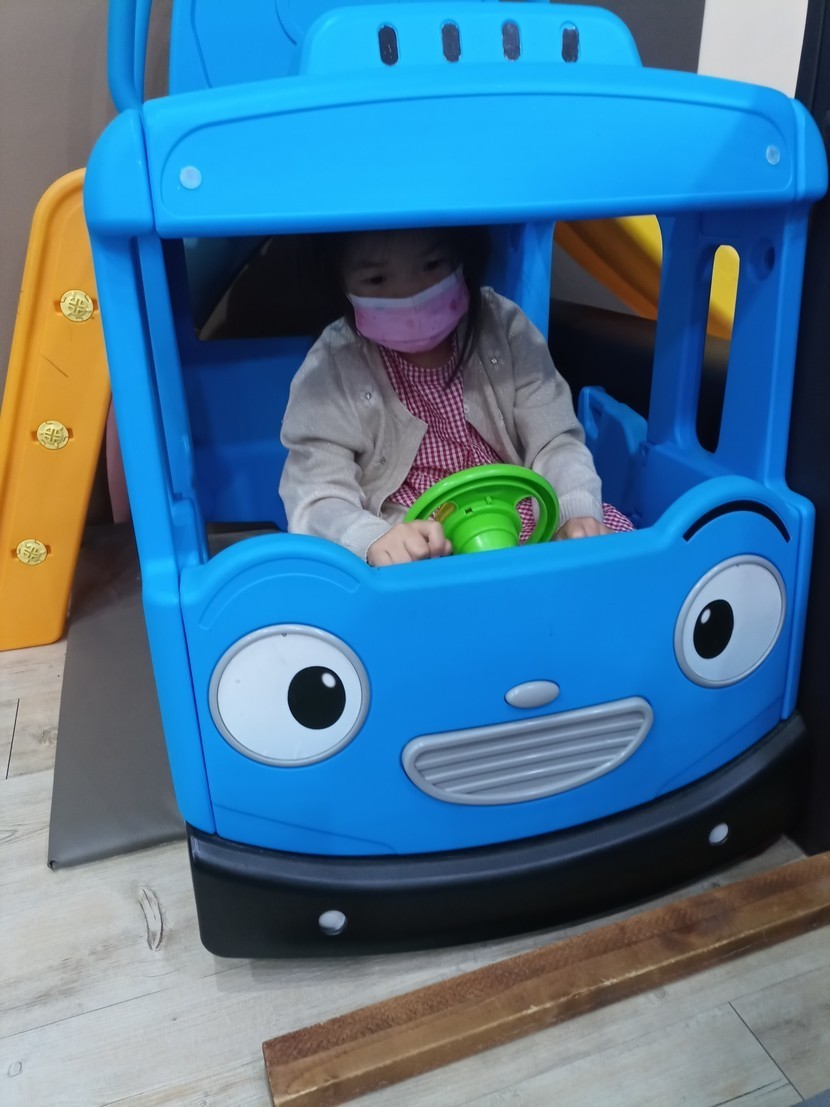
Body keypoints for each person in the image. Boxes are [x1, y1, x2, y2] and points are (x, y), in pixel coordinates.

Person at [280, 226, 632, 566]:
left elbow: (554, 441)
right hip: (410, 540)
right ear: (341, 284)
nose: (409, 296)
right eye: (376, 279)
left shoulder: (504, 326)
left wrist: (574, 513)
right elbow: (315, 493)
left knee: (612, 547)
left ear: (464, 258)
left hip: (517, 517)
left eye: (432, 265)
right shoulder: (333, 366)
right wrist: (371, 540)